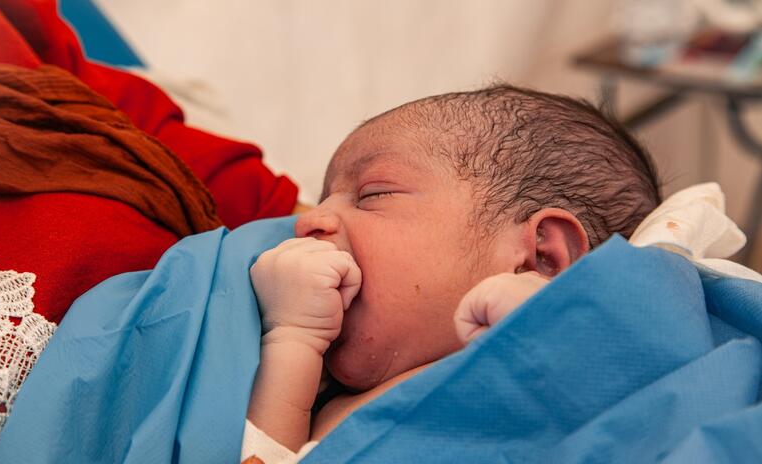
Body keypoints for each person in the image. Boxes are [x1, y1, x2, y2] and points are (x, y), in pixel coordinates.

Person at [246, 84, 661, 455]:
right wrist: (293, 338)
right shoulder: (324, 405)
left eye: (373, 194)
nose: (309, 220)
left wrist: (547, 323)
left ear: (542, 255)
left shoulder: (560, 355)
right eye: (324, 198)